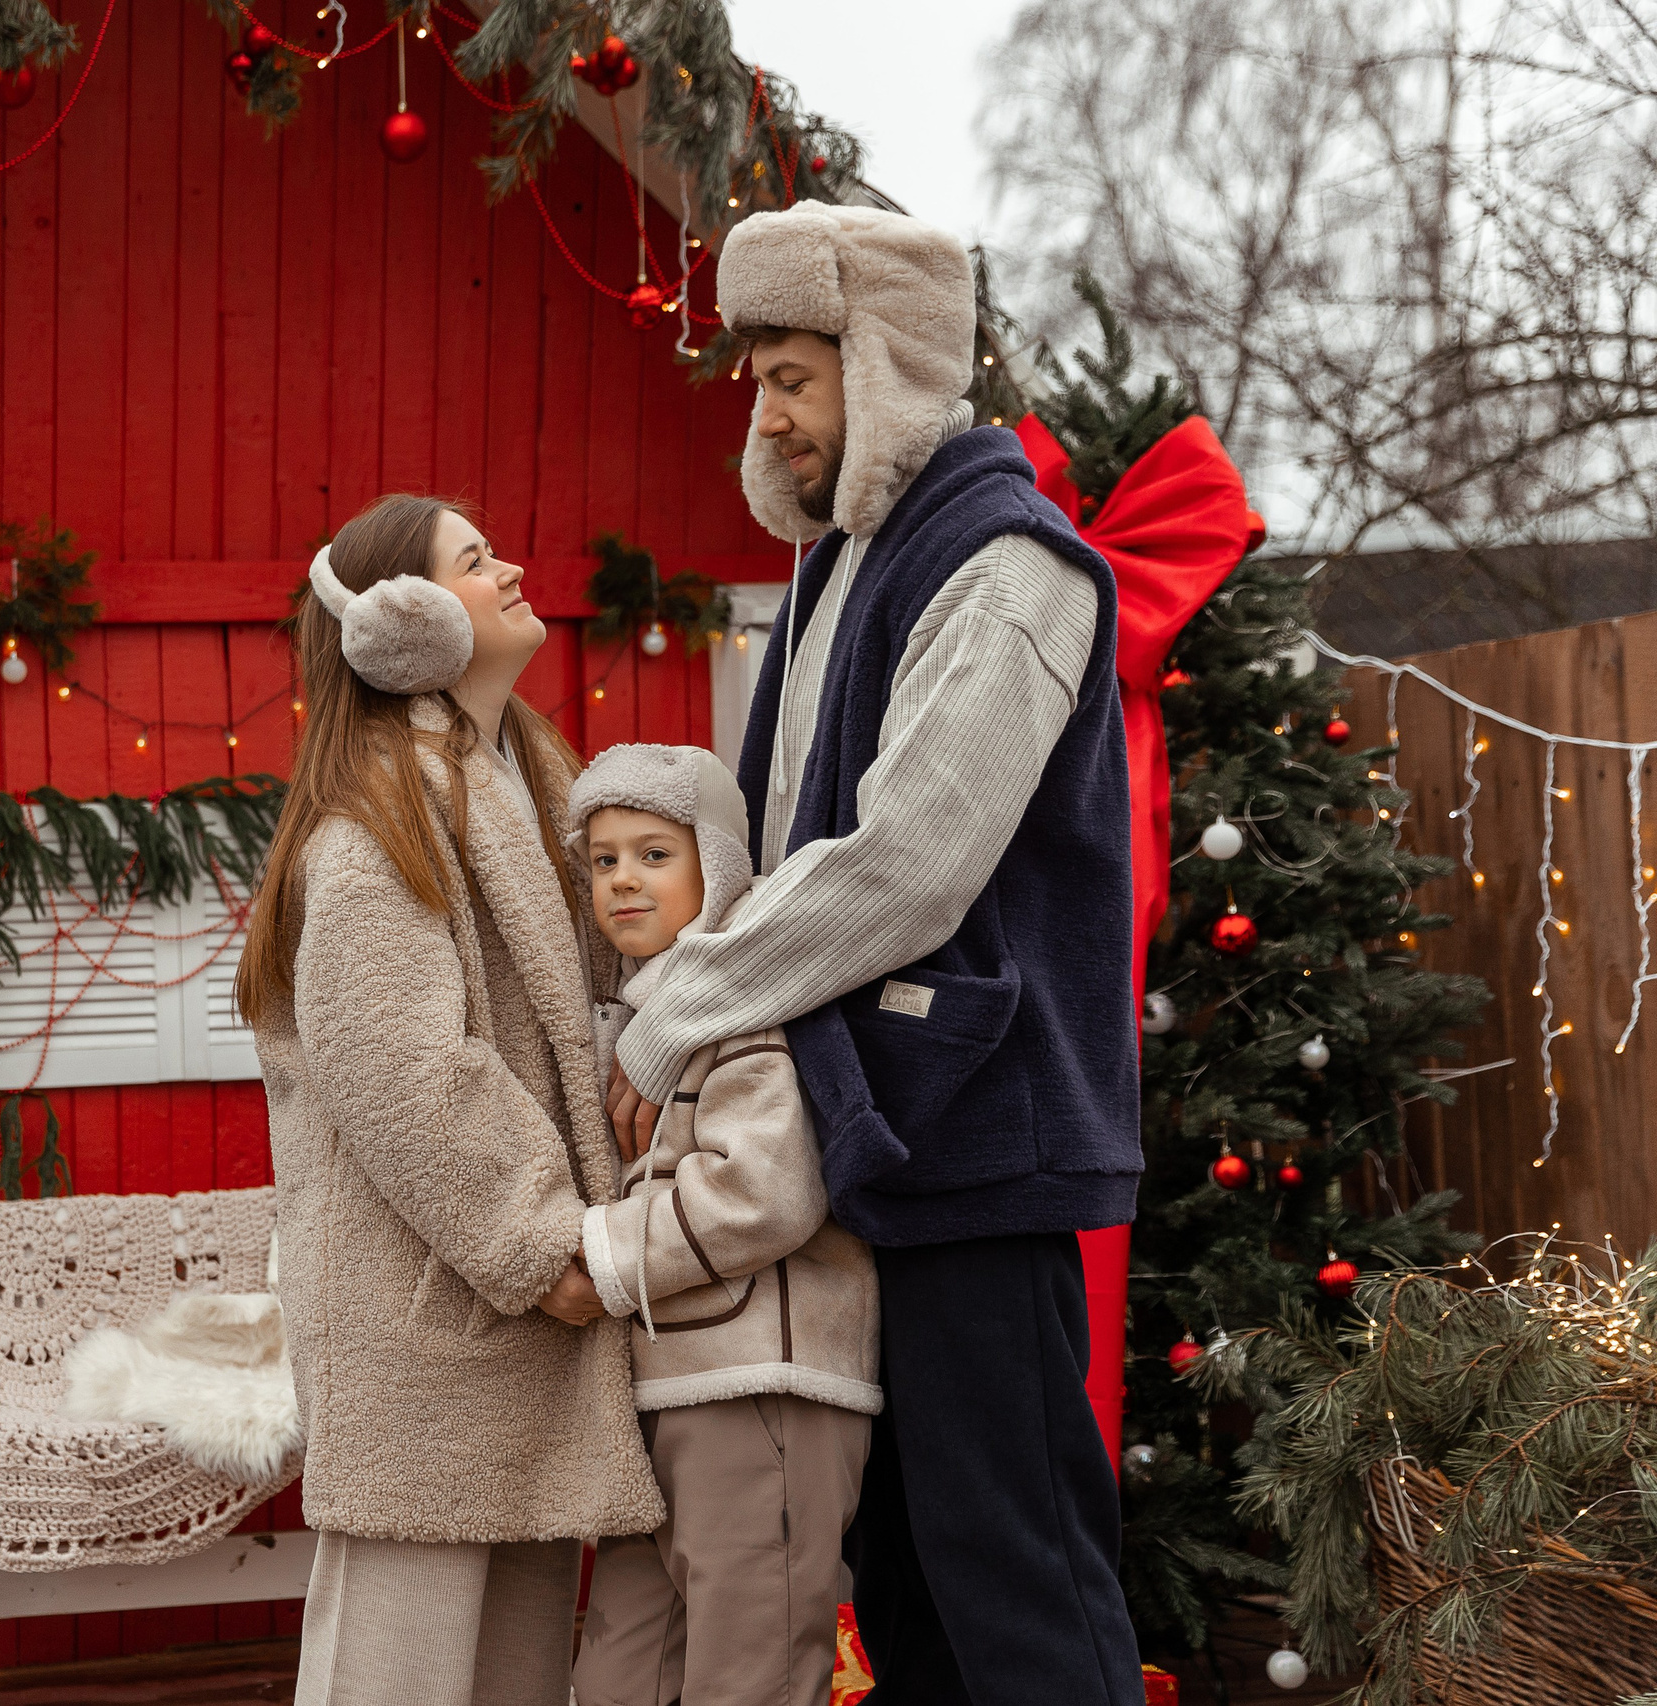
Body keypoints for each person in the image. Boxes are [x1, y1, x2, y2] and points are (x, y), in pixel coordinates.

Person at [608, 203, 1146, 1703]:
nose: (766, 416)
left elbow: (907, 863)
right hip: (875, 1148)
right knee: (906, 1588)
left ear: (891, 361)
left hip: (981, 1143)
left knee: (1018, 1580)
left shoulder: (1011, 565)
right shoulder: (842, 558)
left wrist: (673, 1016)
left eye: (793, 376)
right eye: (761, 381)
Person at [234, 492, 663, 1706]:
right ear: (403, 620)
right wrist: (543, 1243)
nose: (514, 567)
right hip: (436, 1322)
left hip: (514, 1323)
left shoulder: (520, 781)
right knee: (398, 1678)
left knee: (511, 1675)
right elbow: (407, 1070)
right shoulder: (376, 826)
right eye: (476, 560)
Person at [560, 742, 881, 1706]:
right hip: (655, 1391)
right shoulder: (624, 1013)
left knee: (752, 1668)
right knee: (622, 1670)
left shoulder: (747, 1000)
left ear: (717, 861)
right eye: (603, 858)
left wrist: (603, 1256)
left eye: (654, 853)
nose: (622, 879)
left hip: (760, 1382)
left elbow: (764, 1192)